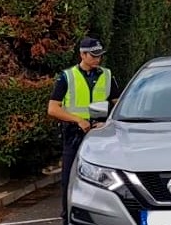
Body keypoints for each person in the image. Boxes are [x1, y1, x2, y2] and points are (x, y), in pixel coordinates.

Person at [47, 37, 121, 224]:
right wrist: (78, 120)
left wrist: (109, 122)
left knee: (105, 179)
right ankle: (68, 218)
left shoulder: (107, 75)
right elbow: (53, 109)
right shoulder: (67, 77)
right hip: (73, 134)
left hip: (100, 134)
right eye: (93, 55)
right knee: (69, 179)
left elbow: (118, 104)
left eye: (100, 56)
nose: (97, 59)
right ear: (82, 54)